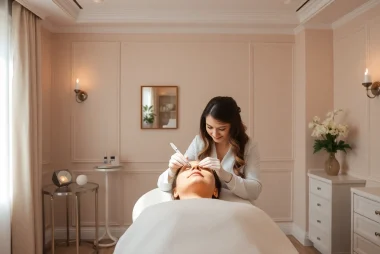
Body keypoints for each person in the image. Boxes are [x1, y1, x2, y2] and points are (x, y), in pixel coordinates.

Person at [158, 96, 262, 203]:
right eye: (209, 127)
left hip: (237, 208)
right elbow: (163, 186)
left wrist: (226, 176)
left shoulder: (249, 146)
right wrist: (172, 171)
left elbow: (255, 191)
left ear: (233, 126)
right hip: (205, 207)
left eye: (222, 129)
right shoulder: (200, 142)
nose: (215, 134)